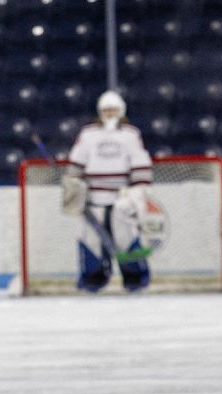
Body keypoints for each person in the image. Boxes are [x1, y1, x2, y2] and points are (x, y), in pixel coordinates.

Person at [66, 90, 154, 292]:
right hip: (93, 198)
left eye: (113, 110)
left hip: (120, 198)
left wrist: (137, 192)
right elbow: (76, 164)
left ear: (121, 111)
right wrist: (75, 191)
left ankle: (135, 277)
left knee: (126, 237)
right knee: (90, 239)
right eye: (106, 110)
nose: (110, 114)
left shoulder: (131, 135)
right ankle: (93, 278)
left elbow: (140, 162)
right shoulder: (88, 134)